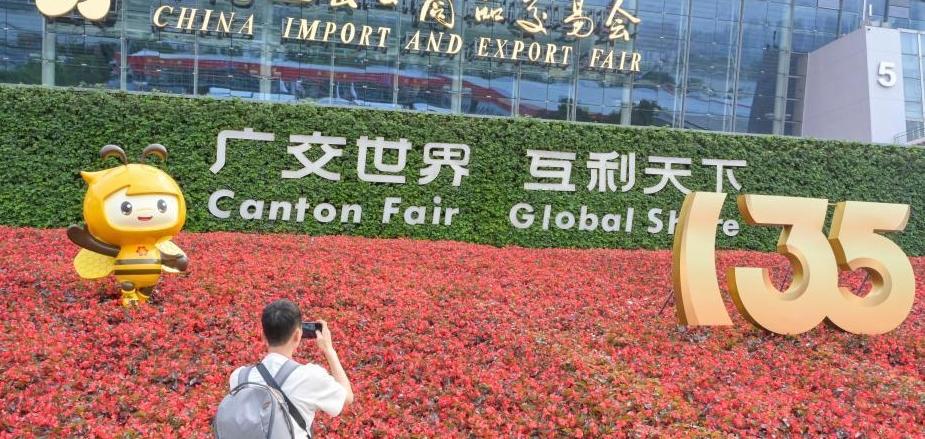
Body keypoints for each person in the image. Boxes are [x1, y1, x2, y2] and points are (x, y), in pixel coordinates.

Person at [229, 299, 354, 437]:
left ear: (263, 336)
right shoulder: (309, 377)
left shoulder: (239, 377)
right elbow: (347, 397)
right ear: (297, 335)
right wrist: (329, 350)